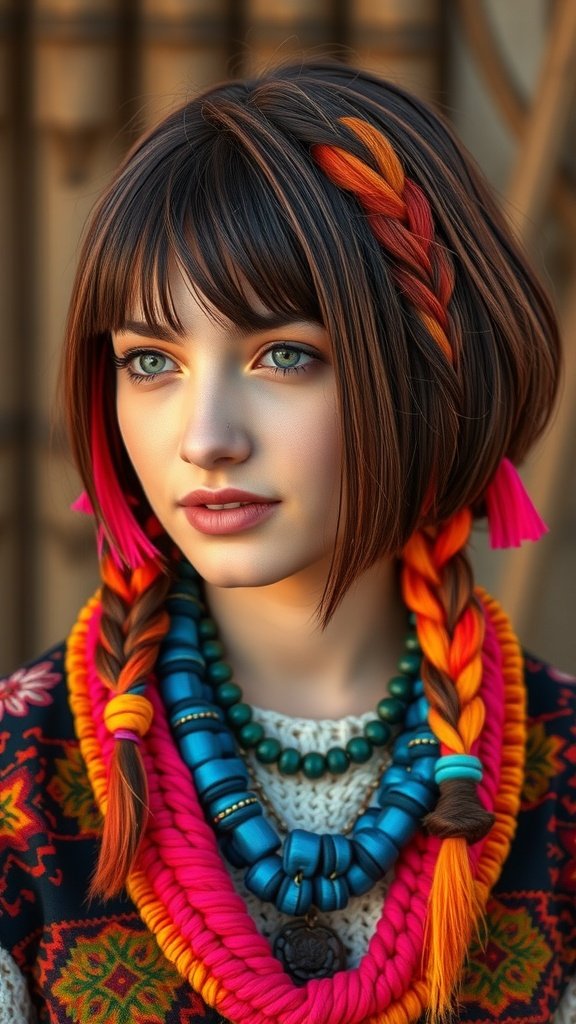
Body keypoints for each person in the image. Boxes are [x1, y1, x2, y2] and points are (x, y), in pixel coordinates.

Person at [0, 59, 574, 1024]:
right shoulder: (19, 774)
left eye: (283, 357)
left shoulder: (558, 777)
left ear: (431, 373)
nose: (205, 437)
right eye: (151, 361)